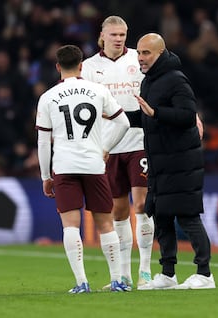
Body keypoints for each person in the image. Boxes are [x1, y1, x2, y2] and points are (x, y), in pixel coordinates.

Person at [36, 44, 131, 293]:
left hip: (64, 166)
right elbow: (123, 122)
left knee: (70, 225)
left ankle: (81, 283)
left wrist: (46, 176)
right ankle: (118, 281)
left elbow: (43, 141)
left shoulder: (47, 97)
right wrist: (106, 147)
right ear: (81, 66)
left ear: (58, 67)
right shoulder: (97, 90)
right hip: (93, 163)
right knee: (105, 224)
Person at [134, 33, 215, 289]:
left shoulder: (176, 79)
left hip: (181, 160)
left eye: (146, 53)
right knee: (162, 216)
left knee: (188, 216)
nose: (140, 58)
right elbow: (147, 117)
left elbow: (187, 115)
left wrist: (156, 112)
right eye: (138, 52)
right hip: (160, 162)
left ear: (159, 53)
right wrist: (115, 116)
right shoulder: (149, 82)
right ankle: (167, 274)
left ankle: (205, 273)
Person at [81, 15, 155, 290]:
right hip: (108, 146)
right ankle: (123, 274)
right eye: (113, 34)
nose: (119, 38)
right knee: (119, 211)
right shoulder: (89, 67)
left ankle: (145, 270)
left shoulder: (140, 59)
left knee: (142, 205)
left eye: (123, 34)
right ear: (102, 35)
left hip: (139, 141)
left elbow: (161, 88)